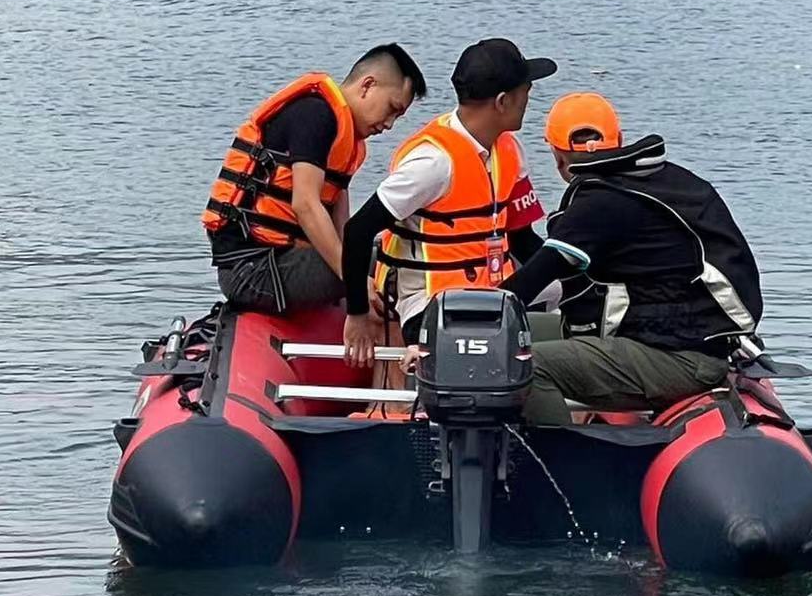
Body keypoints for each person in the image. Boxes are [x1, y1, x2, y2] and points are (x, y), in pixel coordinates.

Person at [501, 91, 764, 425]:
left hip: (678, 360)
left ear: (556, 156)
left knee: (522, 363)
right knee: (525, 328)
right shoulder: (668, 180)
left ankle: (559, 465)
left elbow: (529, 282)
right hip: (701, 344)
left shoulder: (601, 201)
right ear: (619, 139)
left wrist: (467, 318)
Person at [340, 38, 556, 364]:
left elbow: (523, 241)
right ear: (502, 101)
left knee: (563, 291)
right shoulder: (434, 163)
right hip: (430, 302)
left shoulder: (508, 149)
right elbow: (357, 232)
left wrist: (577, 268)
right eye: (526, 89)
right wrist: (356, 313)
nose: (529, 97)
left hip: (491, 290)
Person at [203, 45, 426, 315]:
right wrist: (354, 283)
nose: (390, 124)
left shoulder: (347, 141)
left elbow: (344, 230)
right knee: (389, 270)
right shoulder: (315, 116)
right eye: (391, 109)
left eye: (398, 117)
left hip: (286, 259)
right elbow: (305, 205)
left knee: (397, 255)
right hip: (253, 271)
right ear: (367, 85)